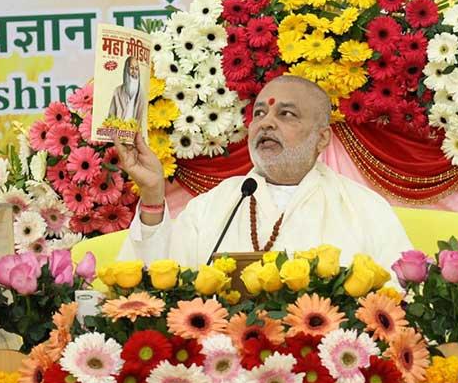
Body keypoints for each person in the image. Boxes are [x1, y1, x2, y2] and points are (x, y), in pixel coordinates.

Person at [115, 75, 413, 270]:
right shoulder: (213, 206)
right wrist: (154, 194)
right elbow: (161, 285)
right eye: (259, 113)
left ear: (322, 138)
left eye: (286, 114)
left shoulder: (364, 209)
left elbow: (398, 303)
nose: (265, 123)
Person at [108, 56, 145, 122]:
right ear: (126, 70)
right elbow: (110, 117)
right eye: (131, 68)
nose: (134, 71)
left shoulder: (141, 94)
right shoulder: (118, 91)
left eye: (136, 69)